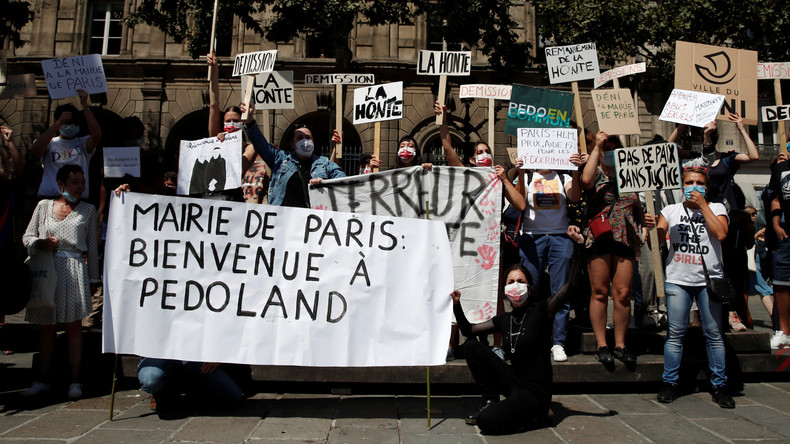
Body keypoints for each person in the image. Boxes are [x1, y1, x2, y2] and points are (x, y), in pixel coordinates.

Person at [645, 166, 734, 408]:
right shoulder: (671, 210)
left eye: (699, 183)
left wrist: (703, 205)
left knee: (714, 334)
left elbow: (721, 233)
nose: (694, 187)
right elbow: (655, 242)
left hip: (709, 281)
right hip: (678, 279)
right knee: (675, 334)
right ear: (682, 186)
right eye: (689, 182)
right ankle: (670, 382)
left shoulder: (717, 208)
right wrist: (651, 227)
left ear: (706, 187)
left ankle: (720, 385)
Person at [451, 262, 572, 434]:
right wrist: (457, 305)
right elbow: (468, 331)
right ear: (505, 289)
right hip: (515, 383)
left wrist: (580, 252)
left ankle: (538, 416)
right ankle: (490, 400)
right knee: (472, 346)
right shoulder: (504, 319)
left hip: (535, 393)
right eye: (511, 282)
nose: (516, 285)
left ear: (529, 288)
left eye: (521, 281)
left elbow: (568, 289)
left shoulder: (541, 311)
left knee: (485, 421)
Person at [22, 165, 99, 399]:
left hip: (74, 270)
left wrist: (93, 279)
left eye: (82, 182)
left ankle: (75, 381)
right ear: (61, 184)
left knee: (73, 326)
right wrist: (40, 243)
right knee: (46, 326)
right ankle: (43, 379)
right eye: (75, 182)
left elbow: (92, 248)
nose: (80, 187)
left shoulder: (88, 210)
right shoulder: (43, 207)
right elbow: (27, 236)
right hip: (48, 269)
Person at [515, 153, 586, 362]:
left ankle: (558, 342)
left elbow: (575, 197)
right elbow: (518, 202)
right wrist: (520, 173)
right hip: (532, 238)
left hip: (560, 237)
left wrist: (575, 170)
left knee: (561, 291)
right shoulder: (528, 177)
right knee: (530, 290)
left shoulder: (563, 177)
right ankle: (530, 338)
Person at [581, 131, 643, 367]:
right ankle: (601, 344)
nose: (610, 153)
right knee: (599, 291)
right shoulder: (596, 172)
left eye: (614, 149)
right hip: (600, 236)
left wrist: (644, 222)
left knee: (623, 294)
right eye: (607, 149)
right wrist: (597, 147)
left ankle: (620, 344)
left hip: (625, 237)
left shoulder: (632, 175)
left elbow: (638, 207)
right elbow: (585, 181)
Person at [243, 107, 346, 207]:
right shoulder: (280, 159)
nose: (305, 141)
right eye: (300, 138)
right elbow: (260, 144)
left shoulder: (324, 163)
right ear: (292, 144)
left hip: (311, 217)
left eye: (308, 138)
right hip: (282, 216)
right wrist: (250, 121)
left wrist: (325, 184)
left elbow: (343, 182)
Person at [31, 90, 102, 200]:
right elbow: (35, 150)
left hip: (77, 201)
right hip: (50, 199)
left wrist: (85, 105)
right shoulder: (50, 143)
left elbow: (97, 135)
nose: (72, 125)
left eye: (75, 122)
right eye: (68, 122)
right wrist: (59, 123)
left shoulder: (82, 143)